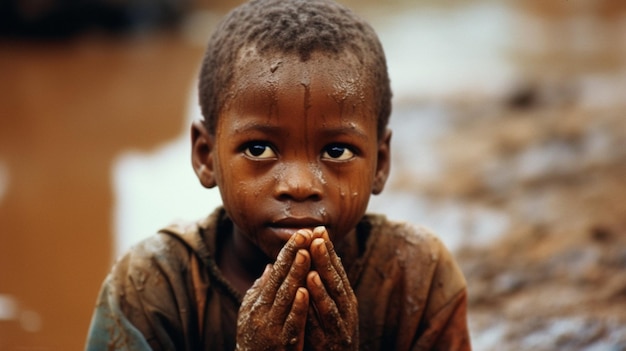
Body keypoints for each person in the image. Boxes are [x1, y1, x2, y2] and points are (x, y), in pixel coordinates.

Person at [85, 0, 471, 349]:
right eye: (259, 149)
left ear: (380, 163)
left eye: (336, 151)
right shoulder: (152, 289)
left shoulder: (417, 278)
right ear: (205, 156)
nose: (300, 185)